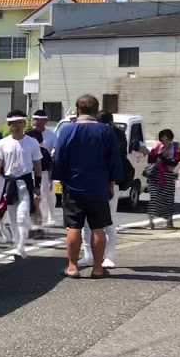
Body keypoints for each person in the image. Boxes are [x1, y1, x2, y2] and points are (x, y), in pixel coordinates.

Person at [52, 95, 122, 279]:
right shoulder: (106, 131)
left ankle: (72, 267)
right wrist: (112, 182)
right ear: (96, 110)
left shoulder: (67, 130)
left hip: (73, 184)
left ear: (78, 109)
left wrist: (60, 179)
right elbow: (114, 160)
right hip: (98, 186)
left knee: (73, 226)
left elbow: (59, 157)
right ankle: (98, 268)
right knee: (98, 227)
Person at [0, 110, 43, 258]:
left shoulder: (32, 142)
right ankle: (17, 243)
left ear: (24, 124)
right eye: (13, 123)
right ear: (9, 125)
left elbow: (37, 164)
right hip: (10, 182)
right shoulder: (3, 143)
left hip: (25, 182)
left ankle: (20, 246)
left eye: (19, 122)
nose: (16, 126)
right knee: (12, 217)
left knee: (22, 216)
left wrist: (38, 185)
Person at [79, 112, 129, 268]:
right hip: (93, 182)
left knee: (108, 222)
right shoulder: (96, 133)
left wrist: (112, 183)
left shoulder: (115, 135)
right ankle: (89, 256)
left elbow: (117, 160)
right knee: (87, 222)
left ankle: (109, 256)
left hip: (108, 183)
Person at [29, 110, 59, 226]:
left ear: (45, 121)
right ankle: (38, 216)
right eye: (36, 119)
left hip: (45, 168)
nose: (38, 122)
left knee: (48, 192)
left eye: (41, 120)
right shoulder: (29, 134)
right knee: (35, 194)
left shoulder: (52, 135)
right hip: (30, 168)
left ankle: (51, 216)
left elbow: (56, 150)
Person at [146, 128, 178, 229]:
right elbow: (150, 159)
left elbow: (176, 162)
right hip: (156, 175)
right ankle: (151, 222)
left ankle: (169, 221)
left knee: (168, 199)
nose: (165, 142)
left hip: (169, 175)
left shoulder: (176, 148)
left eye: (167, 140)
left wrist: (163, 158)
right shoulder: (157, 147)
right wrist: (159, 156)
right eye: (163, 140)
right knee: (154, 198)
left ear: (171, 139)